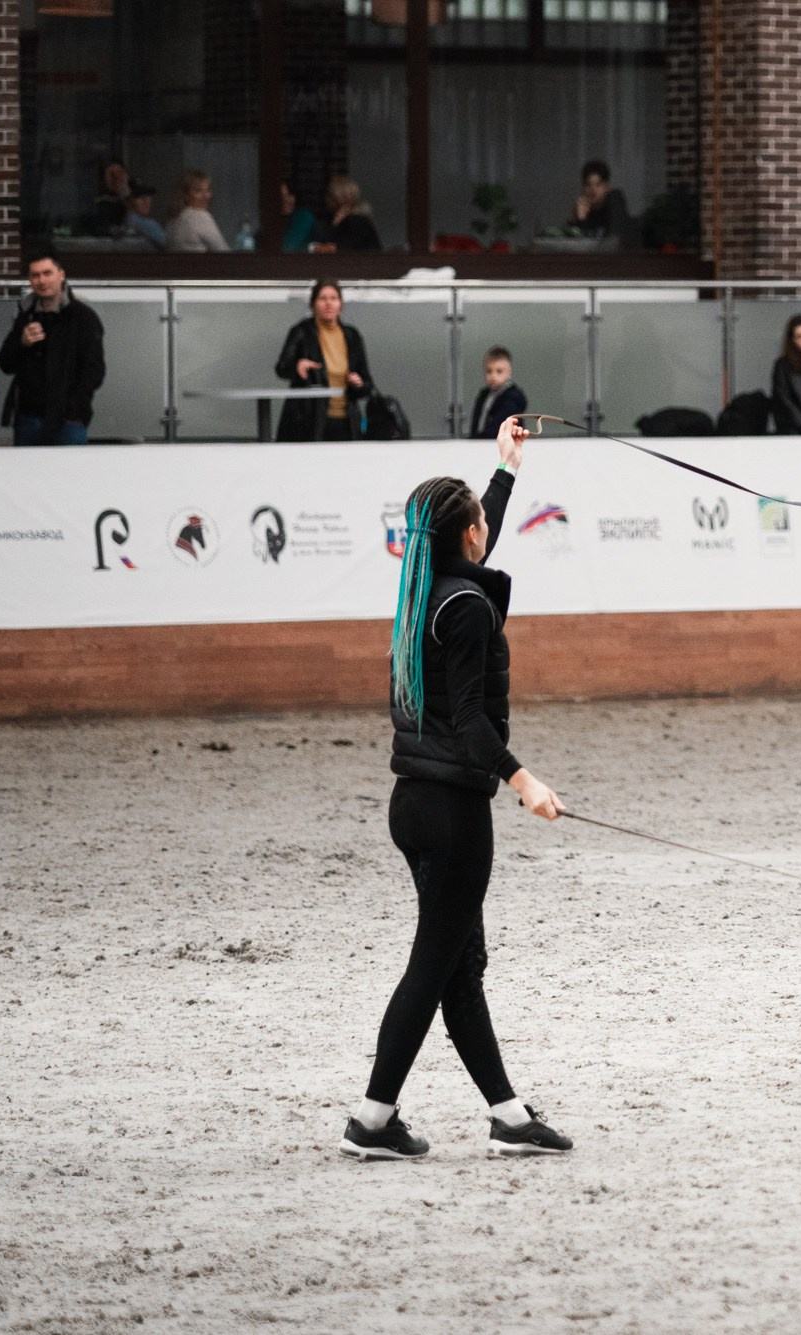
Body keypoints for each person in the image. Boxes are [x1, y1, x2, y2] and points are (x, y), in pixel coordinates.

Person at [340, 417, 575, 1161]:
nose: (486, 529)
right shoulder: (467, 608)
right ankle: (373, 1120)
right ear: (468, 534)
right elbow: (472, 720)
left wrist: (504, 470)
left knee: (456, 963)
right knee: (435, 963)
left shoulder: (427, 589)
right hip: (451, 809)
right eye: (481, 517)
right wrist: (522, 777)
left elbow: (475, 542)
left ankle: (507, 1115)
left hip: (414, 801)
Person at [0, 250, 106, 447]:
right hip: (28, 417)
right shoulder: (25, 315)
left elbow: (94, 370)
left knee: (70, 475)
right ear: (29, 280)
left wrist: (74, 408)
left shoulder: (83, 317)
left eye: (47, 273)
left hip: (68, 420)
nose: (42, 280)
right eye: (35, 275)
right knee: (27, 476)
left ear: (61, 275)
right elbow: (6, 364)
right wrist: (22, 343)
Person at [275, 279, 373, 441]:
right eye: (323, 298)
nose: (329, 304)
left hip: (347, 421)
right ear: (313, 305)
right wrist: (297, 365)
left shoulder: (352, 336)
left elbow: (367, 383)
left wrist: (358, 382)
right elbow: (281, 368)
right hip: (309, 422)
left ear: (341, 305)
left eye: (334, 298)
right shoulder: (302, 332)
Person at [571, 159, 635, 248]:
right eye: (588, 185)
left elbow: (613, 241)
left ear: (606, 187)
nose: (593, 190)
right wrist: (580, 219)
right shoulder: (582, 210)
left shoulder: (614, 201)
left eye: (598, 184)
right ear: (583, 188)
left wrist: (582, 222)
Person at [311, 175, 382, 254]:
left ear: (337, 197)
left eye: (329, 195)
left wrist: (335, 226)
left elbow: (336, 248)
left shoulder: (356, 221)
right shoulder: (350, 219)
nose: (326, 198)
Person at [164, 170, 230, 253]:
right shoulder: (199, 216)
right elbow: (224, 253)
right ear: (185, 195)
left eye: (208, 190)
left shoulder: (172, 221)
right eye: (198, 191)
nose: (206, 196)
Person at [470, 346, 526, 439]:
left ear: (509, 372)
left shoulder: (513, 398)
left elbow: (497, 428)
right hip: (481, 445)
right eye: (489, 371)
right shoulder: (484, 395)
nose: (493, 376)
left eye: (499, 371)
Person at [82, 159, 130, 236]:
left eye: (120, 173)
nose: (117, 178)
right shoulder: (101, 204)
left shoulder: (134, 199)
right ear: (104, 179)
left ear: (127, 176)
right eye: (112, 175)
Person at [122, 182, 165, 250]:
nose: (146, 201)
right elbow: (171, 246)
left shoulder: (125, 222)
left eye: (148, 196)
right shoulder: (147, 224)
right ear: (128, 201)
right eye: (139, 197)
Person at [279, 182, 318, 254]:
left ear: (292, 198)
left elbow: (289, 247)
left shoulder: (304, 217)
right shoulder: (272, 219)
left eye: (283, 197)